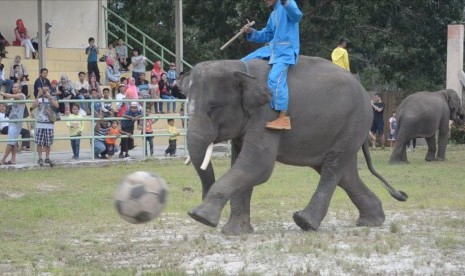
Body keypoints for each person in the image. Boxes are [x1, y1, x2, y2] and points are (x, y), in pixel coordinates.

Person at [241, 0, 302, 130]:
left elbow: (297, 15)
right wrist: (251, 31)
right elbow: (266, 35)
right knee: (243, 63)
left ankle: (283, 117)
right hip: (272, 50)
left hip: (285, 52)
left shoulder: (288, 4)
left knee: (275, 79)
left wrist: (285, 2)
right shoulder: (273, 14)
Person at [31, 86, 59, 167]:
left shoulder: (52, 98)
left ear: (49, 91)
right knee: (39, 143)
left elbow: (56, 105)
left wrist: (49, 96)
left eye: (46, 90)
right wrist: (37, 96)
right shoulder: (39, 99)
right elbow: (33, 106)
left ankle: (47, 157)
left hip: (49, 124)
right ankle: (40, 158)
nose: (44, 92)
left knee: (48, 143)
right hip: (40, 123)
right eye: (43, 90)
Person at [0, 83, 26, 165]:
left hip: (16, 123)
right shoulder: (12, 99)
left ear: (20, 89)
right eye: (13, 87)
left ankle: (3, 159)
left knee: (10, 142)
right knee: (13, 142)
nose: (13, 88)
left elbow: (12, 96)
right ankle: (13, 159)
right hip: (11, 122)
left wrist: (2, 93)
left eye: (15, 87)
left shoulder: (21, 95)